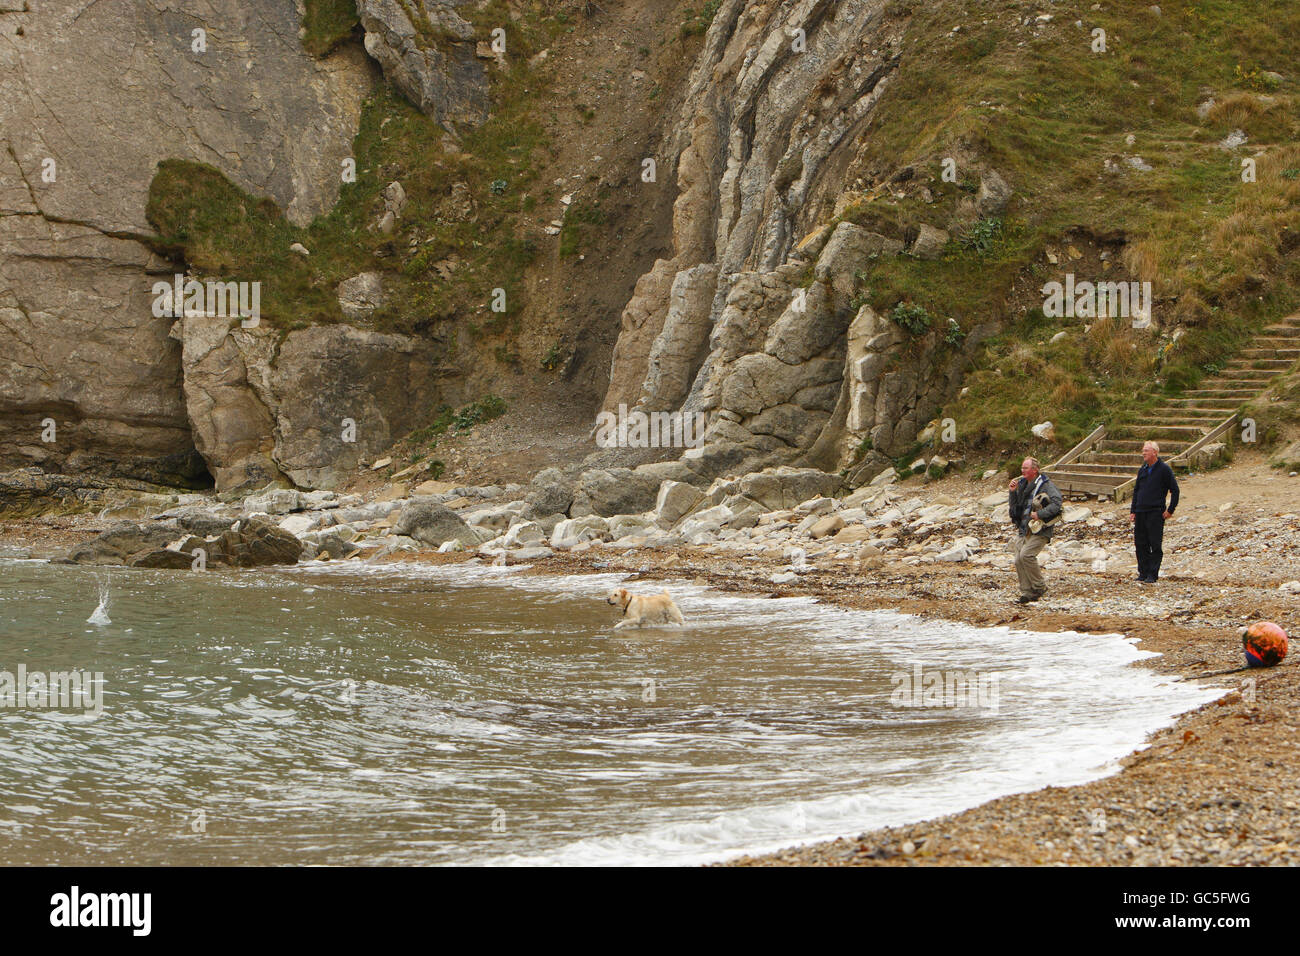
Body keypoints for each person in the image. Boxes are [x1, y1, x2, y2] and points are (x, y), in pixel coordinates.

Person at [1008, 457, 1063, 604]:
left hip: (1040, 529)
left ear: (1035, 470)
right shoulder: (1022, 485)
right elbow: (1014, 508)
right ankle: (1027, 592)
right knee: (1019, 559)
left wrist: (1040, 514)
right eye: (1022, 468)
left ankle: (1039, 587)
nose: (1022, 471)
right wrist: (1012, 492)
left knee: (1026, 555)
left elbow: (1057, 503)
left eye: (1025, 468)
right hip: (1024, 528)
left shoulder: (1046, 485)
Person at [1129, 440, 1179, 583]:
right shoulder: (1143, 469)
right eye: (1143, 450)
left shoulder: (1164, 469)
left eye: (1146, 451)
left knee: (1155, 544)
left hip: (1156, 512)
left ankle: (1153, 574)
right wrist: (1133, 510)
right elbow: (1137, 490)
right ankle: (1142, 573)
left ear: (1154, 452)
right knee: (1140, 544)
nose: (1143, 453)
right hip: (1140, 512)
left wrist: (1170, 510)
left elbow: (1175, 490)